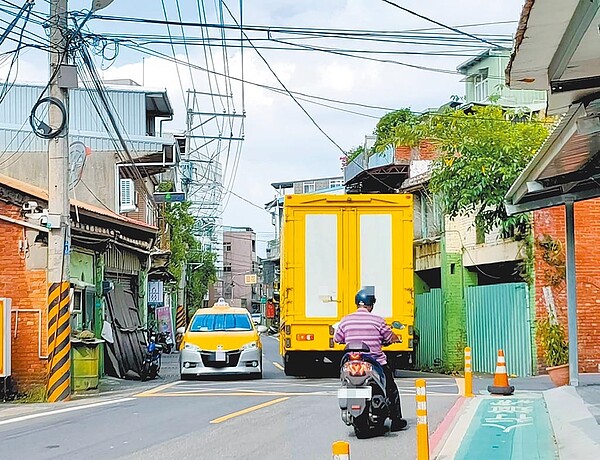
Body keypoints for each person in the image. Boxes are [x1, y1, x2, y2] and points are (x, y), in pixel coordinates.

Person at [334, 286, 408, 432]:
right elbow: (388, 337)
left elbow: (337, 338)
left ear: (357, 304)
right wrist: (394, 339)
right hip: (375, 361)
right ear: (371, 305)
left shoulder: (346, 320)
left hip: (351, 361)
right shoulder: (378, 320)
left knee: (345, 381)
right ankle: (396, 420)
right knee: (391, 388)